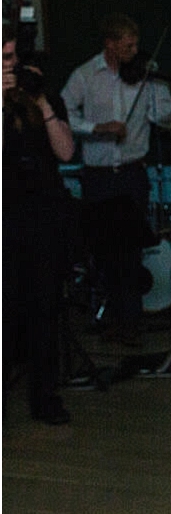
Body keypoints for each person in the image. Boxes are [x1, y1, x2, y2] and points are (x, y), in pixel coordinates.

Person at [61, 13, 171, 343]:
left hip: (131, 174)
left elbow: (162, 118)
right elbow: (64, 112)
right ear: (109, 44)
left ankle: (133, 322)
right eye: (128, 45)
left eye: (136, 44)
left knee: (130, 249)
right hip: (97, 176)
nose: (135, 51)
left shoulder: (146, 76)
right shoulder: (85, 75)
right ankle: (115, 317)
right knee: (104, 251)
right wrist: (97, 128)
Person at [3, 22, 77, 425]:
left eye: (14, 57)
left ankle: (44, 396)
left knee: (44, 308)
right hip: (5, 218)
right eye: (4, 58)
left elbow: (65, 152)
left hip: (44, 216)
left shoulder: (43, 98)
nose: (11, 66)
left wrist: (43, 102)